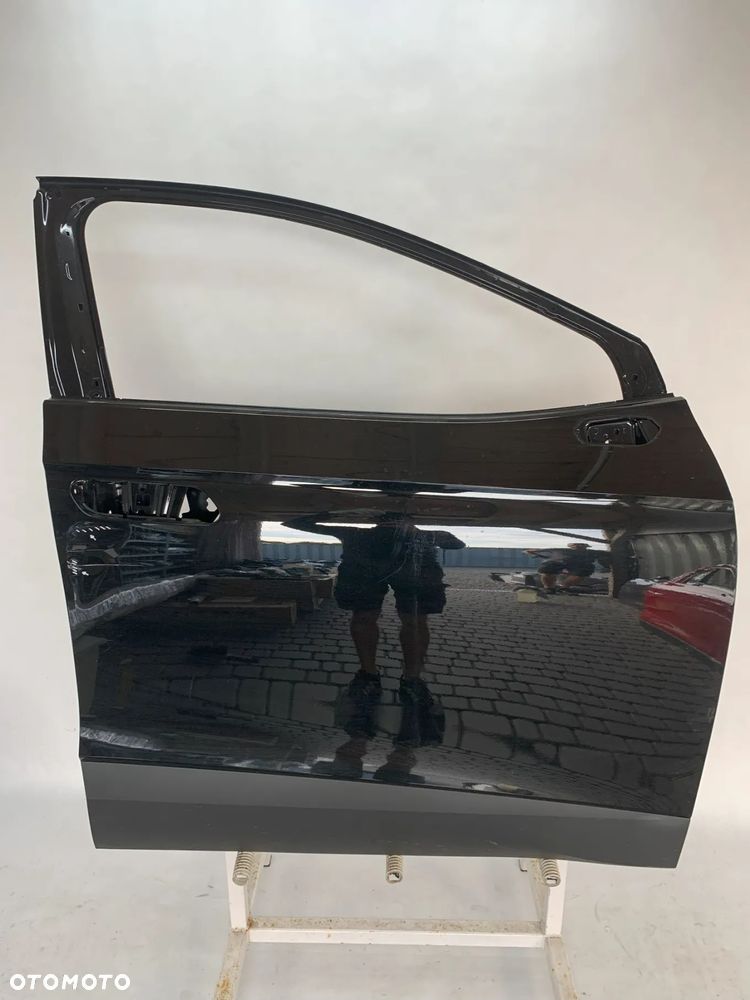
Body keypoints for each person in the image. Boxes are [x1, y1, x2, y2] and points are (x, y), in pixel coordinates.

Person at [283, 510, 465, 741]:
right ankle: (383, 678)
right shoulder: (420, 536)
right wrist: (334, 512)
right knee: (385, 618)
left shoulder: (358, 534)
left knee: (407, 620)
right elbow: (456, 543)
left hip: (385, 556)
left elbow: (296, 522)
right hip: (395, 557)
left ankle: (403, 680)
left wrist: (332, 513)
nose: (393, 524)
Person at [525, 542, 598, 593]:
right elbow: (547, 555)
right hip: (558, 561)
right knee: (547, 567)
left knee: (585, 569)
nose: (578, 547)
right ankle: (549, 588)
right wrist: (536, 552)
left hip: (578, 564)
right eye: (576, 545)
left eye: (581, 545)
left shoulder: (589, 553)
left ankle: (564, 587)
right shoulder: (558, 551)